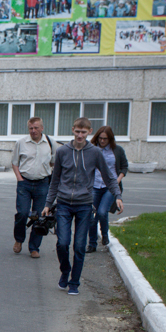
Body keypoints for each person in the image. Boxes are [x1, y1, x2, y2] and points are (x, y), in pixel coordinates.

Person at [42, 118, 123, 296]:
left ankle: (74, 282)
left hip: (84, 205)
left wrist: (117, 196)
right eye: (77, 131)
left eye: (83, 132)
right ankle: (65, 271)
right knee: (62, 243)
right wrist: (48, 204)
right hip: (63, 204)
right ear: (73, 130)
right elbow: (55, 180)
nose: (80, 135)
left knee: (79, 246)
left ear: (89, 132)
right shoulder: (62, 151)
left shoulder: (95, 152)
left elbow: (109, 177)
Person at [11, 117, 55, 258]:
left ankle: (34, 248)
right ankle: (19, 239)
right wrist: (19, 178)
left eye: (36, 128)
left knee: (40, 216)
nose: (33, 131)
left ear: (42, 128)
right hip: (25, 183)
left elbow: (54, 162)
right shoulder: (21, 143)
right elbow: (15, 162)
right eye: (31, 128)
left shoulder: (50, 142)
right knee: (22, 213)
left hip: (42, 184)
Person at [86, 126, 128, 253]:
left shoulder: (117, 150)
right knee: (91, 216)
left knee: (102, 212)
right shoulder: (92, 149)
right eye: (100, 138)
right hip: (94, 186)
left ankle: (104, 234)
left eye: (105, 139)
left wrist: (117, 181)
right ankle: (92, 244)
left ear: (110, 139)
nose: (102, 141)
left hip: (110, 187)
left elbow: (124, 167)